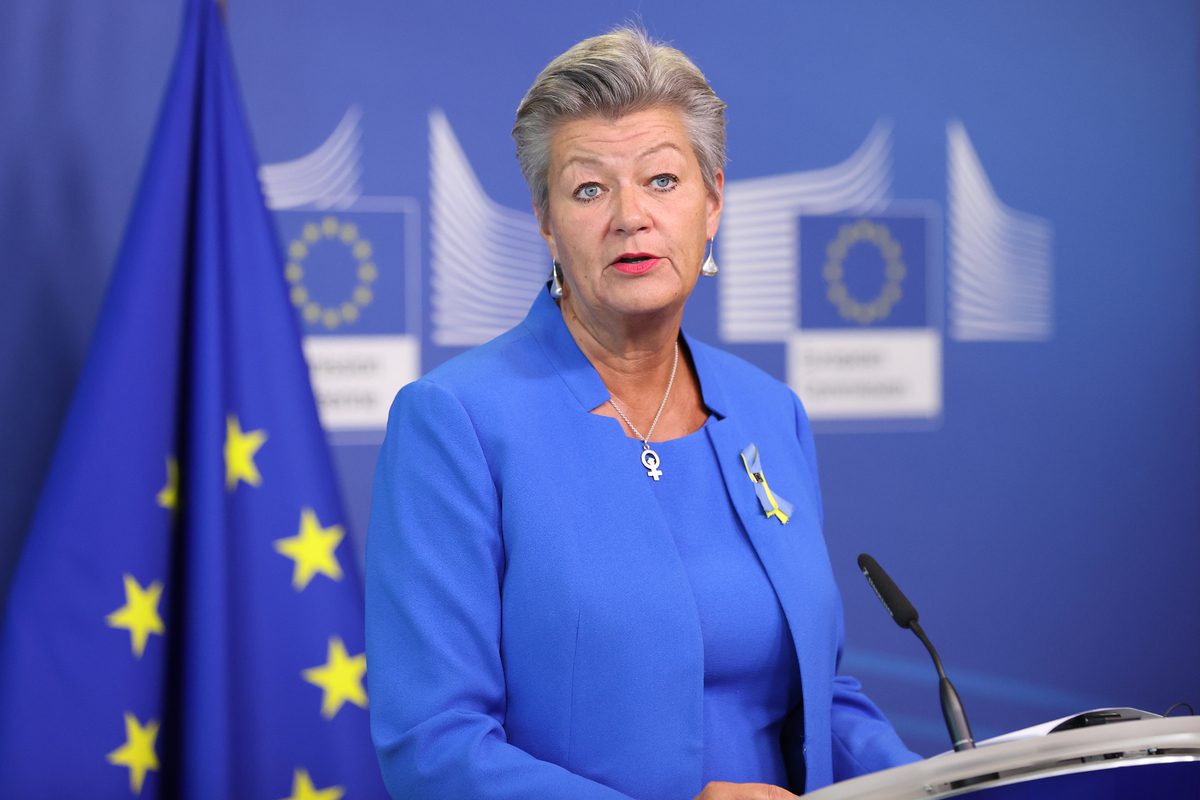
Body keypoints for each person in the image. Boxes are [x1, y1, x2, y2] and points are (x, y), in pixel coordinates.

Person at [365, 26, 919, 800]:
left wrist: (940, 786)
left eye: (662, 180)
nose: (630, 215)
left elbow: (817, 700)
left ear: (713, 202)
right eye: (589, 188)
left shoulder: (769, 412)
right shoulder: (456, 421)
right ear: (547, 223)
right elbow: (434, 748)